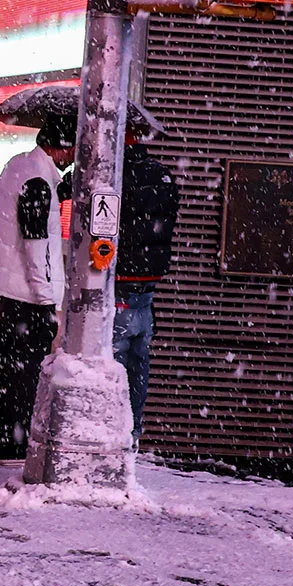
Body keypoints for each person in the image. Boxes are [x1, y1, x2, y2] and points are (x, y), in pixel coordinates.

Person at [0, 117, 75, 460]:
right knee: (23, 374)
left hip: (11, 290)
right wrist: (45, 299)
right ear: (58, 147)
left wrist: (61, 190)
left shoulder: (22, 166)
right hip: (27, 293)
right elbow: (35, 244)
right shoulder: (38, 183)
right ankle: (12, 440)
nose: (71, 156)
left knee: (7, 367)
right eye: (70, 149)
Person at [113, 111, 178, 443]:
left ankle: (113, 430)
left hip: (118, 282)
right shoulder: (162, 175)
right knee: (139, 361)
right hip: (149, 284)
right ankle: (133, 429)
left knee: (114, 361)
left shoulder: (113, 176)